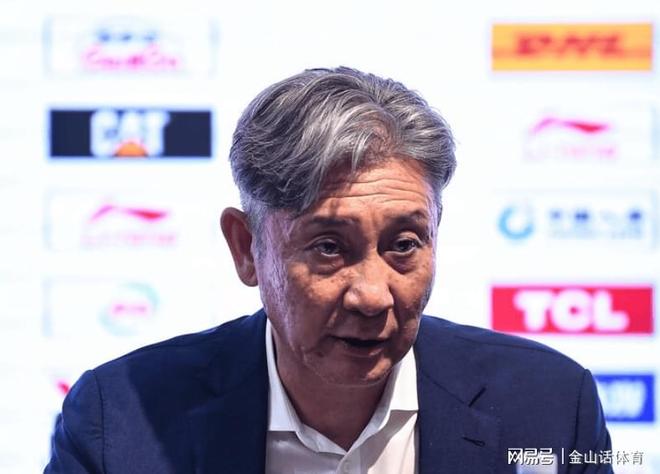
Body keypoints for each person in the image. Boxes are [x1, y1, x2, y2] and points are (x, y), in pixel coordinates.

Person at [45, 67, 612, 474]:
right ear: (246, 248)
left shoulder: (550, 407)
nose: (372, 296)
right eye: (328, 248)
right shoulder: (118, 422)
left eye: (404, 245)